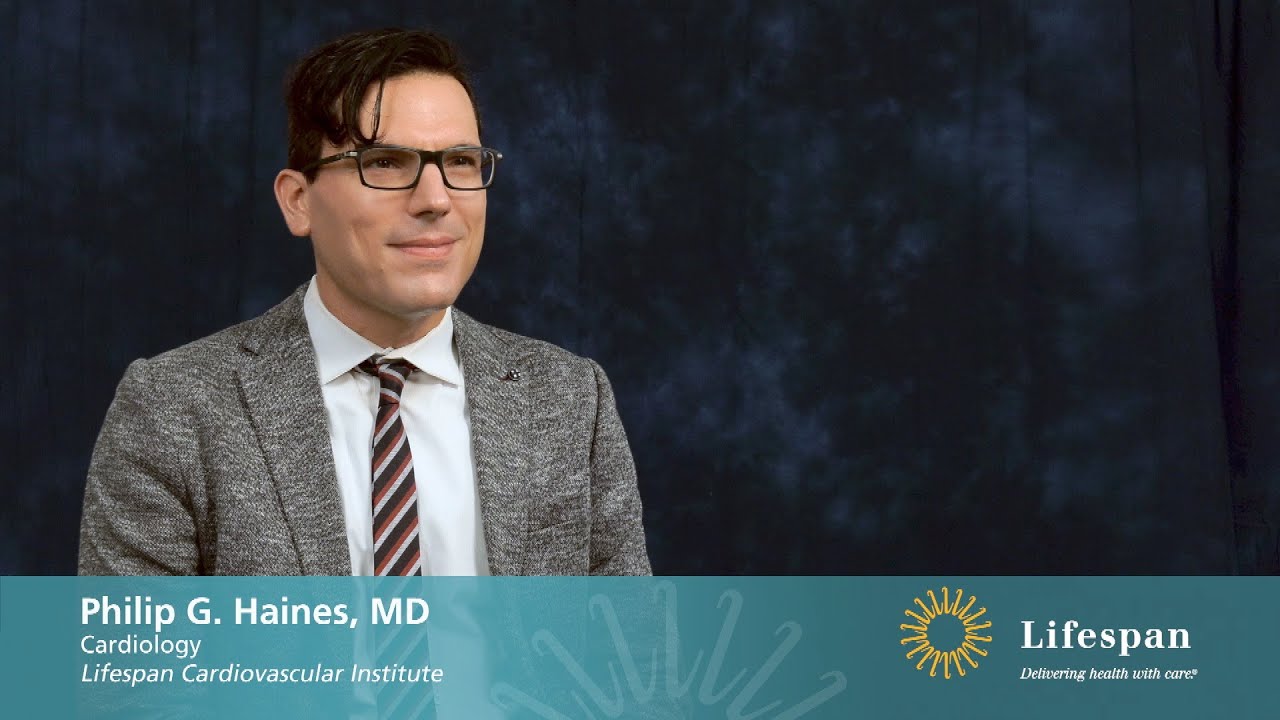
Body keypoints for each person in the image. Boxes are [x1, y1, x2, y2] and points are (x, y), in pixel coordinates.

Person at [78, 28, 651, 577]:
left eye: (460, 161)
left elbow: (628, 639)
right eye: (384, 162)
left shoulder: (572, 399)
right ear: (298, 201)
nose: (435, 200)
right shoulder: (172, 409)